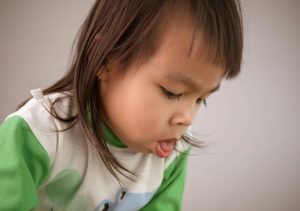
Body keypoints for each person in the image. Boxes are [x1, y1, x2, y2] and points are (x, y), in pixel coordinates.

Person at [0, 0, 243, 210]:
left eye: (201, 99)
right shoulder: (38, 134)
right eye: (172, 93)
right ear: (107, 60)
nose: (187, 118)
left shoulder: (172, 156)